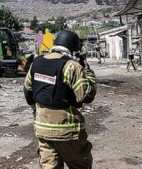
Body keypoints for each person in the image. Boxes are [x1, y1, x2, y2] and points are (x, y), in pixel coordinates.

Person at [23, 30, 97, 168]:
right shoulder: (72, 66)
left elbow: (27, 91)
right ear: (73, 49)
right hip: (68, 132)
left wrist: (36, 112)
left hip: (42, 129)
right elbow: (86, 96)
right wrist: (88, 73)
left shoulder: (36, 63)